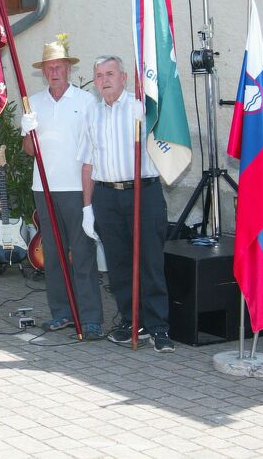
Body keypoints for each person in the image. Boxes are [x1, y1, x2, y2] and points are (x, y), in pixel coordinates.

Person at [76, 55, 175, 353]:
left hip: (142, 192)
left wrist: (150, 121)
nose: (104, 80)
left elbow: (167, 143)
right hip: (106, 196)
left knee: (150, 262)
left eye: (110, 74)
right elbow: (87, 163)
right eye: (99, 75)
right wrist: (87, 208)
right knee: (118, 265)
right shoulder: (92, 114)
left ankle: (158, 327)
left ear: (123, 77)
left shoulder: (141, 107)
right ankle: (132, 322)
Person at [20, 38, 103, 340]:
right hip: (43, 188)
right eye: (49, 67)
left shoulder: (86, 101)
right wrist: (27, 130)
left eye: (59, 66)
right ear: (43, 71)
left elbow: (94, 147)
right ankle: (62, 313)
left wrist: (90, 197)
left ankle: (90, 318)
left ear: (68, 68)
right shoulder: (33, 102)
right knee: (53, 255)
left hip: (77, 187)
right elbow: (29, 150)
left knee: (82, 252)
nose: (54, 72)